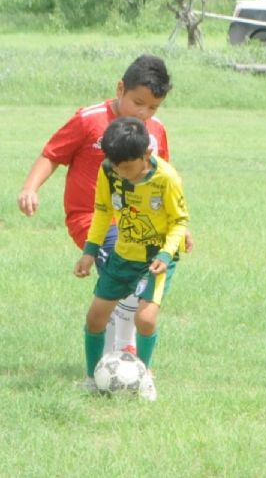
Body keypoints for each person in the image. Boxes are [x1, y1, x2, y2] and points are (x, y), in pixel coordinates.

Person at [17, 55, 192, 355]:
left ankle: (121, 353)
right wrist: (30, 188)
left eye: (153, 107)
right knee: (120, 263)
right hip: (91, 219)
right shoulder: (89, 120)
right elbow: (52, 154)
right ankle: (122, 351)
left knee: (142, 280)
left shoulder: (155, 130)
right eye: (138, 102)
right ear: (120, 89)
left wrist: (181, 228)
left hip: (144, 226)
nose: (144, 113)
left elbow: (164, 184)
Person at [74, 117, 190, 401]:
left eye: (126, 167)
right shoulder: (109, 171)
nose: (120, 173)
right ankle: (92, 379)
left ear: (147, 155)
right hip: (123, 255)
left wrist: (166, 253)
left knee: (146, 319)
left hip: (155, 259)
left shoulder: (167, 178)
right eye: (115, 166)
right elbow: (102, 211)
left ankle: (145, 377)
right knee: (95, 317)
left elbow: (179, 222)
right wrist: (90, 251)